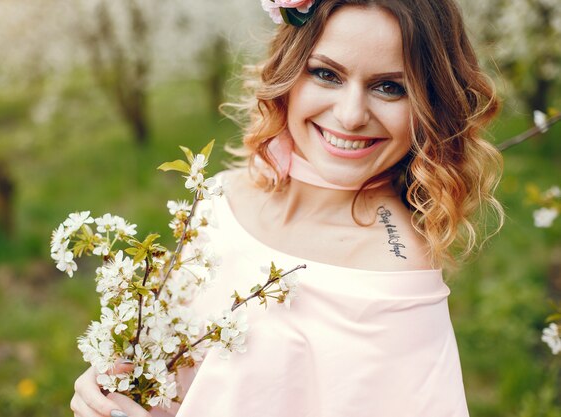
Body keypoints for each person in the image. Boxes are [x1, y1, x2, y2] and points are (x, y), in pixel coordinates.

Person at [69, 0, 503, 416]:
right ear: (290, 73)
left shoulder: (391, 280)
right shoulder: (220, 200)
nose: (351, 115)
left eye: (390, 87)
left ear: (429, 105)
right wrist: (111, 389)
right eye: (327, 74)